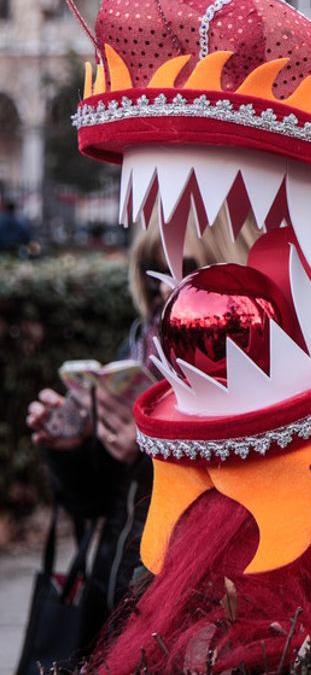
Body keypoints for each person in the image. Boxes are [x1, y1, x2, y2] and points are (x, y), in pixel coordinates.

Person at [24, 216, 248, 654]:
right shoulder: (139, 349)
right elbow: (93, 504)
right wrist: (70, 450)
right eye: (154, 271)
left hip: (195, 616)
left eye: (185, 269)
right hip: (117, 597)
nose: (166, 288)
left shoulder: (260, 365)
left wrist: (151, 450)